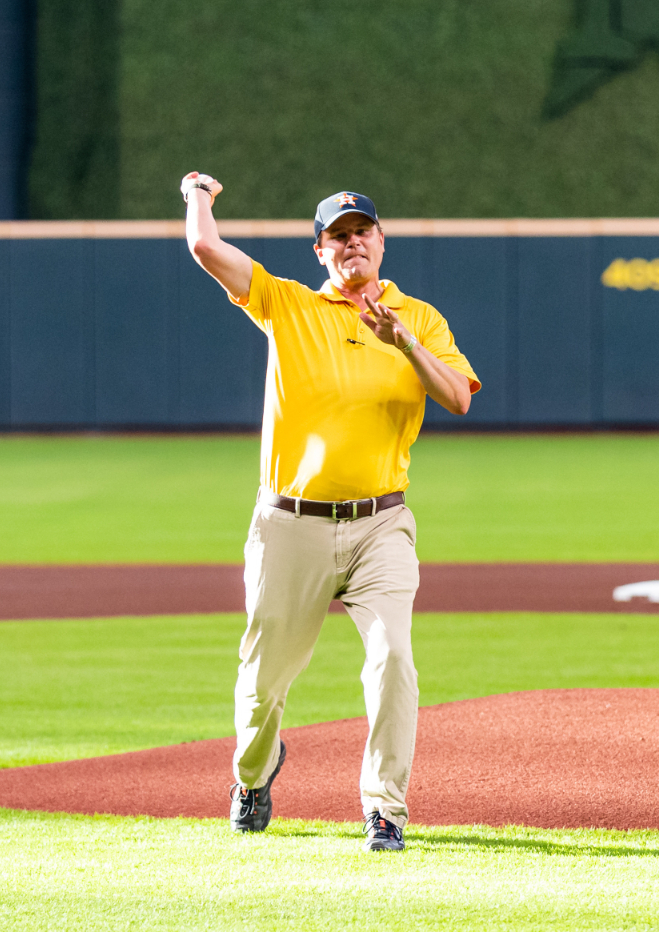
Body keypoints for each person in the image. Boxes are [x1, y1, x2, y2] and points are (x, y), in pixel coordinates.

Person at [181, 172, 480, 852]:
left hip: (381, 523)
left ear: (381, 241)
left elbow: (459, 395)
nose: (352, 244)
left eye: (362, 232)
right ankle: (253, 777)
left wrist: (402, 339)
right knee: (262, 684)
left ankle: (385, 809)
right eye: (338, 236)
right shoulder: (286, 304)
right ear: (320, 250)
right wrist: (197, 190)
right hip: (291, 526)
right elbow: (204, 247)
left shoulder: (420, 318)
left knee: (393, 659)